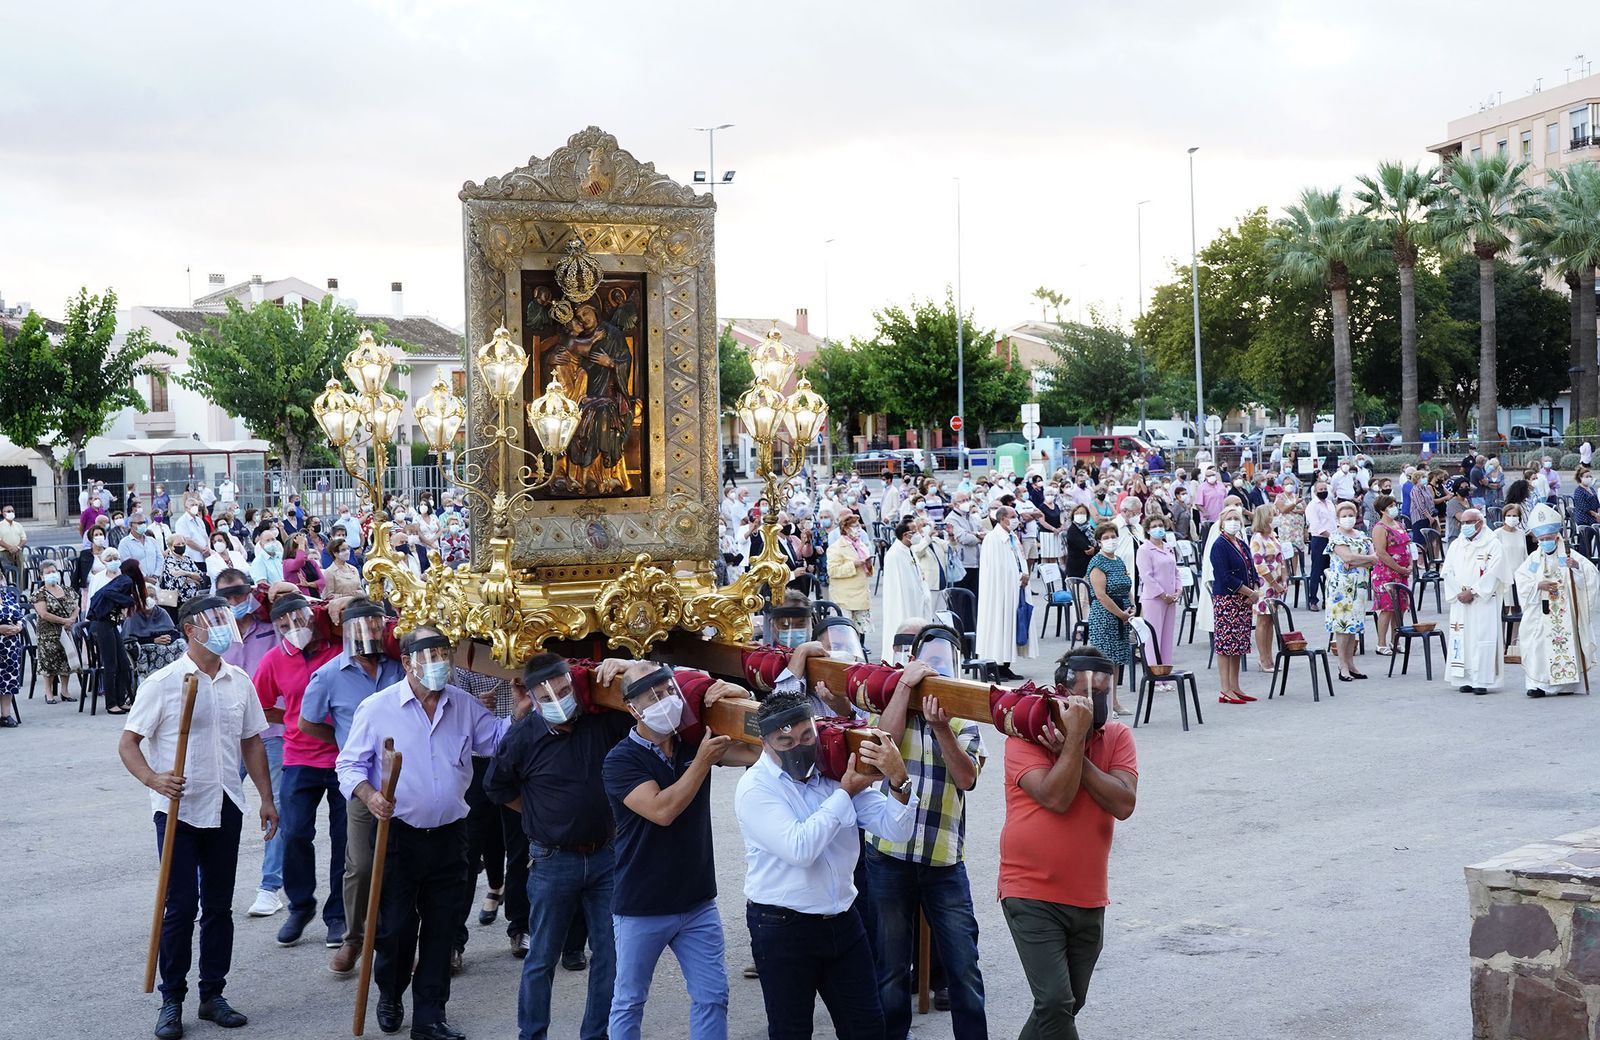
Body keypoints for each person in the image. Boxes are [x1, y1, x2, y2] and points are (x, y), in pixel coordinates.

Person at [336, 627, 526, 1040]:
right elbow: (349, 765)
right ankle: (390, 994)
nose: (440, 663)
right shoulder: (378, 708)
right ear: (407, 662)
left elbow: (496, 741)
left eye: (444, 654)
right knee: (396, 928)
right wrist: (370, 796)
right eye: (431, 655)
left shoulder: (463, 705)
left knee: (442, 928)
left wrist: (520, 713)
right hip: (397, 836)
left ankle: (430, 1015)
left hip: (451, 835)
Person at [118, 595, 280, 1040]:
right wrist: (153, 778)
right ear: (191, 629)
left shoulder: (239, 681)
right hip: (179, 809)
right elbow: (129, 743)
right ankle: (172, 999)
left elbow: (252, 741)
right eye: (216, 620)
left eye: (227, 618)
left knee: (219, 906)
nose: (226, 627)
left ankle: (213, 994)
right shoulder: (163, 683)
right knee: (180, 906)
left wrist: (266, 798)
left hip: (225, 802)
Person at [735, 690, 916, 1040]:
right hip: (783, 927)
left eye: (806, 736)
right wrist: (844, 794)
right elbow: (800, 848)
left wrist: (899, 780)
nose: (799, 747)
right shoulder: (755, 788)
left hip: (844, 919)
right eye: (785, 741)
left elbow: (897, 830)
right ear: (764, 742)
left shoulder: (833, 771)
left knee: (867, 1029)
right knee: (791, 1032)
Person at [598, 662, 760, 1040]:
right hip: (642, 906)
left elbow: (756, 752)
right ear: (633, 709)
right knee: (629, 1001)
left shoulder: (691, 741)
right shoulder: (620, 760)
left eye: (668, 692)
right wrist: (701, 762)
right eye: (652, 697)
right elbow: (662, 810)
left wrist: (743, 698)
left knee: (713, 996)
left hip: (697, 903)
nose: (665, 701)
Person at [484, 654, 633, 1040]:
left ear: (574, 685)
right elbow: (496, 786)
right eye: (546, 695)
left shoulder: (603, 721)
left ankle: (597, 1034)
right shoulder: (523, 736)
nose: (557, 699)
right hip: (552, 861)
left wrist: (626, 670)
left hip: (605, 856)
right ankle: (532, 1034)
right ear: (532, 697)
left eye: (564, 690)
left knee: (611, 954)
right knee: (542, 956)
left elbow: (644, 716)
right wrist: (537, 812)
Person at [999, 648, 1137, 1040]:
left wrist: (1075, 750)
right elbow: (1055, 797)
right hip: (1031, 891)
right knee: (1055, 1002)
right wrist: (1075, 739)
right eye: (1088, 692)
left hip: (1088, 897)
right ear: (1061, 691)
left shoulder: (1117, 737)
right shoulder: (1026, 734)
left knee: (1064, 1006)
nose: (1096, 702)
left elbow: (1123, 803)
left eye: (1104, 692)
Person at [861, 633, 988, 1040]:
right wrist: (904, 686)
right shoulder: (889, 698)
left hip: (943, 858)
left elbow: (966, 779)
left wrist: (941, 727)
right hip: (888, 854)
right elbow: (877, 752)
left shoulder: (962, 714)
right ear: (912, 660)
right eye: (927, 659)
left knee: (964, 966)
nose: (934, 668)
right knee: (891, 968)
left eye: (943, 660)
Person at [299, 599, 406, 975]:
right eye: (362, 627)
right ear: (345, 632)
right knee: (359, 865)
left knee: (404, 865)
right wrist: (346, 743)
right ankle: (354, 939)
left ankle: (401, 941)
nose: (370, 633)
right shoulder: (328, 675)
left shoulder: (400, 667)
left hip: (406, 781)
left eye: (376, 625)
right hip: (362, 783)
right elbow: (308, 722)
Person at [253, 594, 347, 950]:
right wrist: (294, 718)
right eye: (283, 626)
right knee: (293, 833)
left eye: (298, 620)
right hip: (298, 757)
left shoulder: (338, 648)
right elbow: (260, 705)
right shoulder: (274, 660)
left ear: (311, 616)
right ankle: (300, 905)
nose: (293, 629)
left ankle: (338, 914)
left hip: (343, 757)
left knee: (345, 839)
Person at [1515, 504, 1599, 697]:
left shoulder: (1570, 556)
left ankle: (1565, 684)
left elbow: (1590, 575)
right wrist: (1538, 585)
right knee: (1537, 643)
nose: (1545, 542)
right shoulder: (1534, 559)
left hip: (1565, 611)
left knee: (1565, 641)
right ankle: (1537, 685)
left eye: (1549, 538)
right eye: (1542, 539)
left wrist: (1576, 567)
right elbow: (1521, 578)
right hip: (1540, 609)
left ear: (1557, 537)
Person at [1442, 506, 1504, 694]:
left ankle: (1482, 680)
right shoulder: (1456, 544)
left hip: (1482, 600)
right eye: (1462, 522)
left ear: (1480, 523)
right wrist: (1459, 592)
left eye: (1469, 522)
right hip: (1460, 600)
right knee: (1462, 637)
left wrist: (1474, 591)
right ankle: (1465, 678)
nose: (1465, 526)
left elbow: (1495, 572)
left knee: (1481, 637)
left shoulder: (1492, 543)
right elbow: (1447, 571)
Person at [1209, 506, 1261, 704]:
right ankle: (1225, 688)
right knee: (1226, 645)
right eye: (1229, 519)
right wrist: (1248, 592)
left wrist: (1255, 588)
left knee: (1237, 644)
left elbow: (1252, 568)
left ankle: (1235, 686)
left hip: (1244, 600)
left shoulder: (1241, 543)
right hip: (1227, 600)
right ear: (1222, 523)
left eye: (1237, 519)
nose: (1234, 522)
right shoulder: (1219, 545)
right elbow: (1224, 576)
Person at [1325, 501, 1376, 683]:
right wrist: (1361, 559)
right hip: (1340, 587)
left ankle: (1351, 663)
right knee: (1342, 625)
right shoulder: (1335, 536)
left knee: (1353, 625)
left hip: (1359, 586)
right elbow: (1346, 557)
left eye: (1351, 515)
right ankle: (1342, 665)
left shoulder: (1361, 535)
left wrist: (1356, 561)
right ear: (1338, 519)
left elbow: (1374, 558)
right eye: (1344, 516)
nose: (1348, 519)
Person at [977, 506, 1029, 681]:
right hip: (999, 592)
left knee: (1010, 626)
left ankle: (1005, 665)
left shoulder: (1012, 536)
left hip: (1015, 588)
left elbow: (1017, 559)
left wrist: (1023, 575)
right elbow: (995, 568)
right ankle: (994, 667)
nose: (1016, 519)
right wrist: (1016, 578)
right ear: (1002, 519)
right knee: (999, 625)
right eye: (1012, 516)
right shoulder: (993, 538)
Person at [87, 558, 146, 714]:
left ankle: (121, 700)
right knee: (111, 664)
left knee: (123, 664)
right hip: (102, 624)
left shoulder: (123, 580)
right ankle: (111, 703)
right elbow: (107, 592)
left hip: (109, 624)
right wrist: (128, 601)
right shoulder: (126, 580)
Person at [880, 519, 931, 662]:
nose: (917, 534)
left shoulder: (909, 550)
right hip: (903, 603)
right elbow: (897, 587)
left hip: (916, 600)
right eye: (914, 531)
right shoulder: (894, 555)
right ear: (905, 535)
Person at [1135, 516, 1181, 668]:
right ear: (1148, 530)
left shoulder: (1168, 547)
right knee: (1153, 637)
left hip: (1171, 598)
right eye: (1154, 526)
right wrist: (1162, 594)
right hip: (1154, 599)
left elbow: (1175, 571)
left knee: (1167, 637)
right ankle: (1154, 671)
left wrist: (1178, 590)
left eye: (1160, 525)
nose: (1158, 528)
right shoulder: (1144, 550)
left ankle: (1166, 670)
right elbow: (1146, 576)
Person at [1369, 495, 1412, 655]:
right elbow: (1381, 552)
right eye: (1390, 506)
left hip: (1402, 573)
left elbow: (1408, 546)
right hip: (1386, 574)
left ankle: (1396, 640)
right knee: (1387, 608)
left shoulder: (1399, 525)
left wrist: (1410, 564)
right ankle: (1381, 643)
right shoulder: (1380, 528)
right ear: (1382, 510)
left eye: (1394, 505)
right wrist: (1398, 568)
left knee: (1400, 608)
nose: (1394, 508)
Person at [31, 559, 78, 704]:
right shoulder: (39, 594)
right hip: (48, 632)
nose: (52, 574)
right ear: (41, 576)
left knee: (65, 660)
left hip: (66, 630)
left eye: (54, 571)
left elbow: (76, 606)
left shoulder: (67, 590)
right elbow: (43, 614)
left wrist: (71, 619)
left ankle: (65, 691)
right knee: (49, 663)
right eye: (48, 573)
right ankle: (49, 692)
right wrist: (64, 621)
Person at [1247, 507, 1286, 673]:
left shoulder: (1272, 536)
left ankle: (1270, 656)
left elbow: (1281, 558)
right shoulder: (1257, 538)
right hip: (1264, 584)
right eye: (1272, 515)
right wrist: (1274, 583)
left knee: (1271, 621)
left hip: (1276, 582)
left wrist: (1284, 578)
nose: (1275, 517)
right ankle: (1263, 658)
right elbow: (1259, 564)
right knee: (1263, 621)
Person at [825, 514, 874, 634]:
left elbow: (867, 570)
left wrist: (868, 565)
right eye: (855, 526)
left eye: (859, 526)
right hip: (845, 597)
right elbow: (832, 571)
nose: (858, 529)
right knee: (845, 632)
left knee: (861, 632)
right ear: (846, 529)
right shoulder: (836, 548)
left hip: (861, 595)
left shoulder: (861, 545)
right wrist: (853, 565)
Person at [1304, 479, 1336, 611]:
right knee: (1316, 571)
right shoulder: (1312, 506)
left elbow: (1334, 521)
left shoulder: (1330, 503)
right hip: (1319, 540)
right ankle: (1313, 600)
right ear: (1315, 491)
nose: (1323, 491)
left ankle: (1327, 598)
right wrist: (1330, 535)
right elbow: (1316, 525)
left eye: (1325, 489)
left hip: (1332, 539)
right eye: (1320, 490)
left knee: (1330, 570)